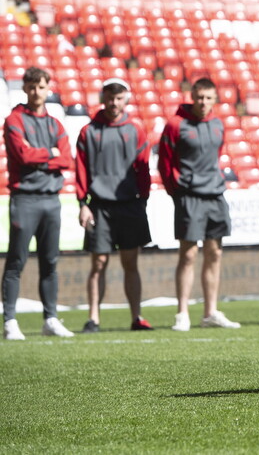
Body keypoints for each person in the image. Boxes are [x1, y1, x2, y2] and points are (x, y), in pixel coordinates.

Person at [158, 78, 240, 331]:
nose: (203, 102)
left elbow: (215, 156)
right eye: (199, 97)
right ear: (192, 97)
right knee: (189, 254)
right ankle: (182, 313)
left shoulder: (217, 124)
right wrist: (178, 191)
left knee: (214, 253)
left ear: (215, 99)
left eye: (208, 98)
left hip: (215, 194)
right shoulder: (175, 124)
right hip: (189, 196)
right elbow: (164, 162)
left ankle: (210, 312)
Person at [2, 66, 75, 340]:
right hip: (25, 199)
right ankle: (10, 320)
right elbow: (23, 155)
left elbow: (66, 159)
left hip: (51, 200)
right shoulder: (15, 120)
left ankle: (51, 318)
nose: (36, 92)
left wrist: (42, 155)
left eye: (41, 87)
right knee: (16, 261)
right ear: (24, 88)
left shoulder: (55, 124)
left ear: (48, 89)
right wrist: (50, 154)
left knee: (50, 262)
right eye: (32, 86)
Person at [76, 78, 154, 332]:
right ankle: (93, 319)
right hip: (99, 205)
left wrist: (142, 199)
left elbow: (143, 168)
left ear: (126, 99)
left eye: (119, 97)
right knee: (98, 263)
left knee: (131, 262)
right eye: (110, 97)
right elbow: (81, 170)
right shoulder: (89, 131)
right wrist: (83, 203)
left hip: (130, 205)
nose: (114, 102)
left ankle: (136, 317)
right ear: (103, 98)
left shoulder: (136, 129)